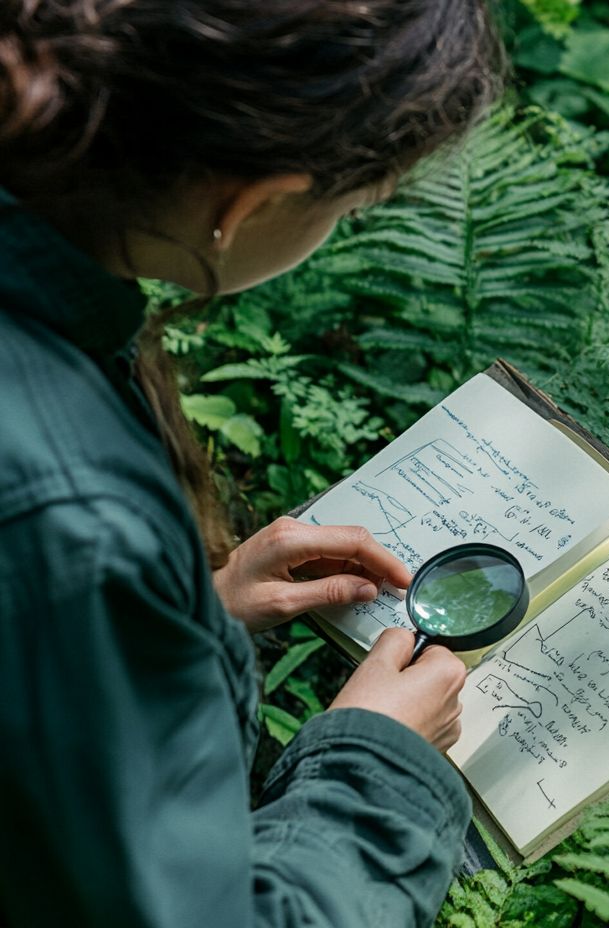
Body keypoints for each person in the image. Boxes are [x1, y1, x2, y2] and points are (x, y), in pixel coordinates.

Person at [0, 2, 502, 925]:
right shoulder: (74, 526)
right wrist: (373, 763)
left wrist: (182, 620)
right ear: (249, 206)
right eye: (355, 209)